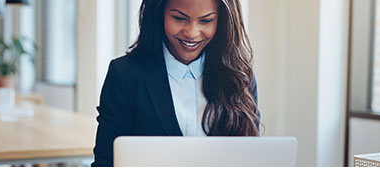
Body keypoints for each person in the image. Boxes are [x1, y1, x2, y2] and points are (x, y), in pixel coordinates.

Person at [92, 0, 260, 167]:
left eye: (206, 20)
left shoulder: (239, 77)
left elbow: (250, 161)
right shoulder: (125, 74)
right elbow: (105, 164)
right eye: (179, 18)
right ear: (159, 13)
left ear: (223, 21)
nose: (192, 33)